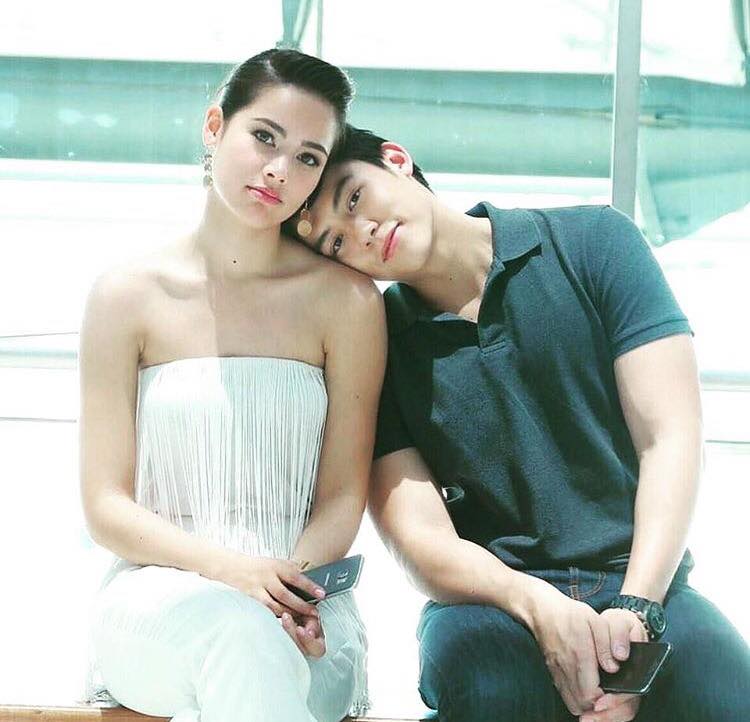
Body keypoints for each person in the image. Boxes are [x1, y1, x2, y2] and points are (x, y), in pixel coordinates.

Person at [293, 125, 750, 722]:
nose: (361, 232)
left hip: (642, 577)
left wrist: (637, 607)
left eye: (354, 198)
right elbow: (422, 539)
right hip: (492, 598)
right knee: (489, 689)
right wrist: (536, 603)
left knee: (725, 692)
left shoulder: (595, 240)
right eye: (335, 242)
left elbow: (671, 438)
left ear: (396, 160)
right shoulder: (377, 341)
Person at [79, 53, 386, 722]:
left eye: (308, 158)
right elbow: (106, 507)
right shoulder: (126, 296)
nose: (279, 170)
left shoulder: (348, 303)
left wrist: (284, 590)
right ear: (214, 127)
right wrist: (237, 576)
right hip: (156, 599)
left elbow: (342, 497)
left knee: (252, 650)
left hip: (306, 601)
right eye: (264, 137)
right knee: (236, 633)